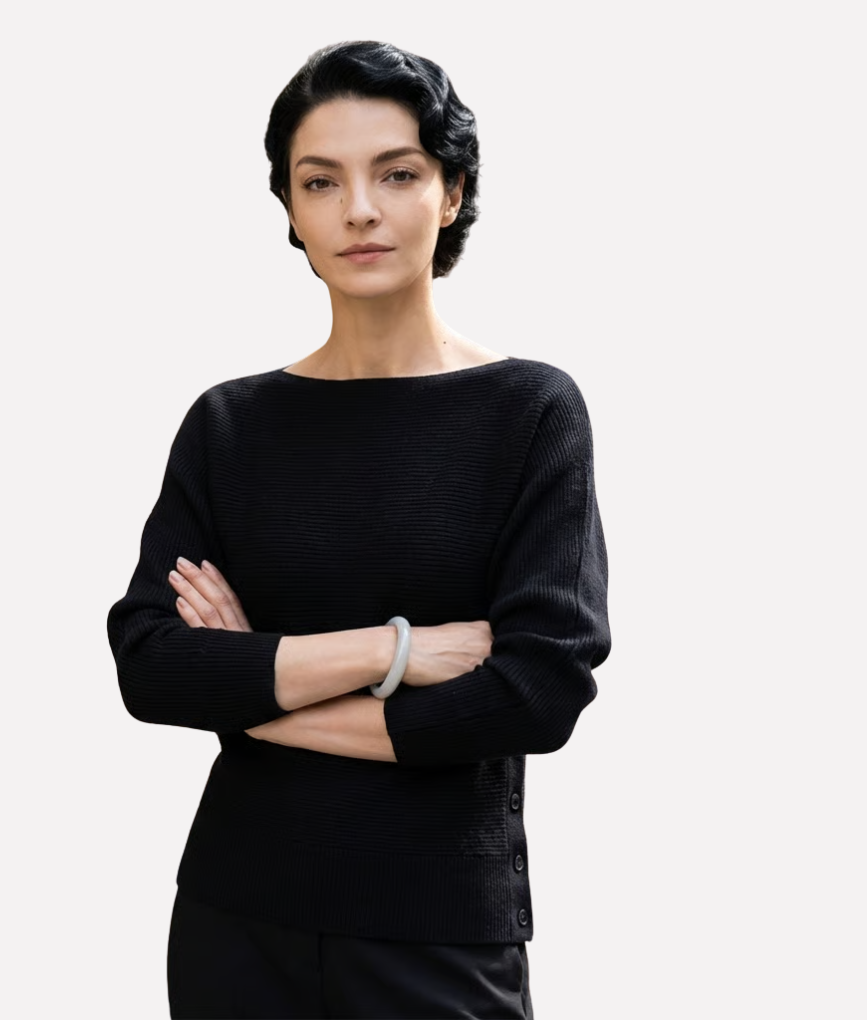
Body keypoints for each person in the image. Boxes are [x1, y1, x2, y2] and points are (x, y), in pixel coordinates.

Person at [106, 39, 611, 1019]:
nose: (360, 209)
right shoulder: (229, 424)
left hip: (438, 931)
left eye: (398, 173)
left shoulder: (529, 412)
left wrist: (254, 692)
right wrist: (398, 652)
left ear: (451, 192)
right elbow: (152, 666)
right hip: (234, 920)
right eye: (321, 181)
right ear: (290, 210)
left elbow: (537, 693)